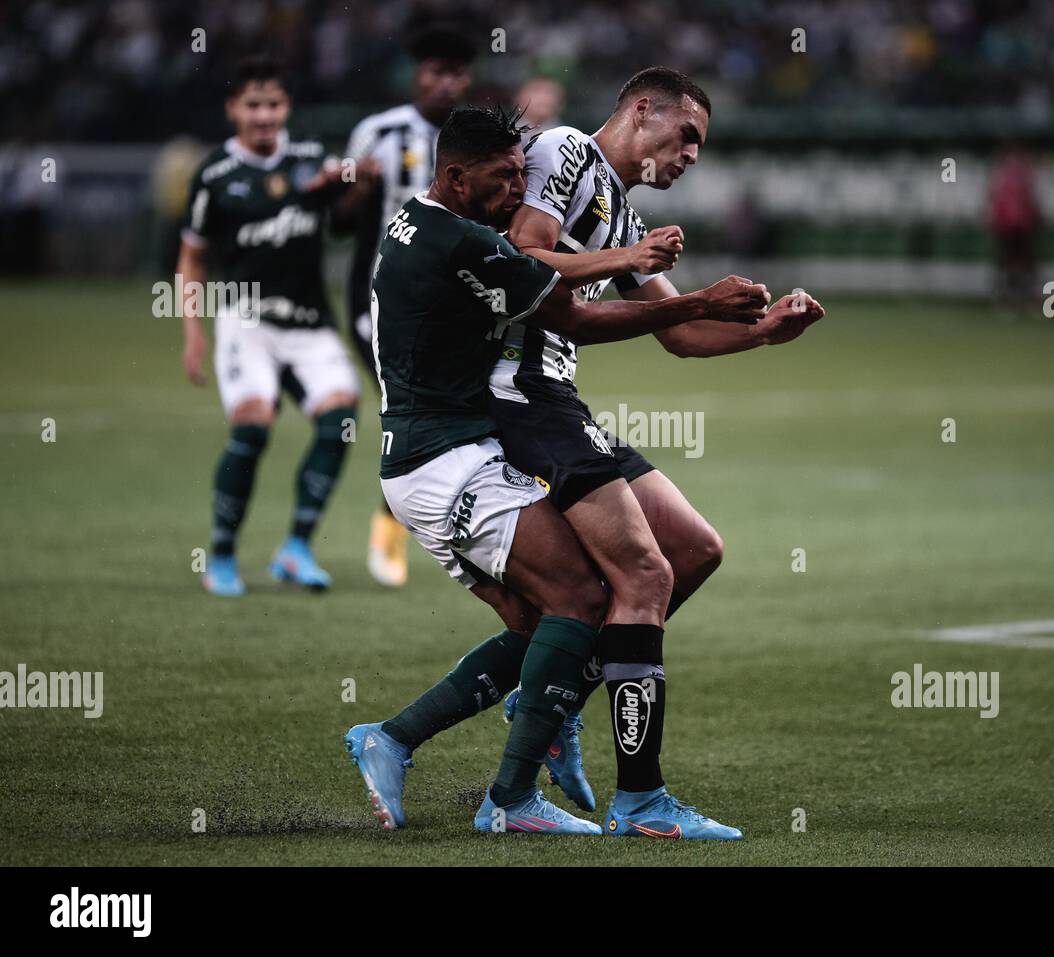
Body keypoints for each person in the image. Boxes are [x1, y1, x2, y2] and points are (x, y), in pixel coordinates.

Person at [343, 105, 769, 836]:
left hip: (464, 441)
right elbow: (563, 307)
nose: (520, 184)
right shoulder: (474, 229)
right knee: (598, 589)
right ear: (456, 176)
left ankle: (404, 736)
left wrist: (755, 328)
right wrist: (649, 271)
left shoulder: (438, 224)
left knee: (605, 592)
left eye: (522, 173)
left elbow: (662, 328)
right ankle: (552, 795)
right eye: (507, 175)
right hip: (453, 450)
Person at [496, 66, 824, 837]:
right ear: (642, 111)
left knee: (693, 547)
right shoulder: (567, 154)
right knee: (643, 572)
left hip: (555, 399)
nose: (693, 156)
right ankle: (638, 797)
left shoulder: (615, 204)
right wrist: (666, 280)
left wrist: (764, 331)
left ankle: (557, 692)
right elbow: (525, 259)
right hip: (514, 392)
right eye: (688, 137)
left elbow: (678, 332)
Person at [178, 55, 358, 596]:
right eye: (253, 105)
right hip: (246, 322)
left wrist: (354, 180)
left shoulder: (311, 160)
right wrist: (192, 331)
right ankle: (223, 555)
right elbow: (192, 257)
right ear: (234, 109)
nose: (263, 116)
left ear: (287, 107)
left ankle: (297, 547)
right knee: (253, 426)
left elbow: (346, 214)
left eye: (273, 104)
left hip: (309, 324)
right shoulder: (215, 175)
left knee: (339, 421)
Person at [333, 26, 476, 588]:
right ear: (416, 75)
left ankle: (455, 525)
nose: (446, 83)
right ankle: (393, 531)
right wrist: (358, 190)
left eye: (457, 73)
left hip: (459, 309)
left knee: (455, 415)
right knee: (417, 415)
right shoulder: (378, 133)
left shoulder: (477, 139)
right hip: (382, 306)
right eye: (435, 71)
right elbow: (339, 224)